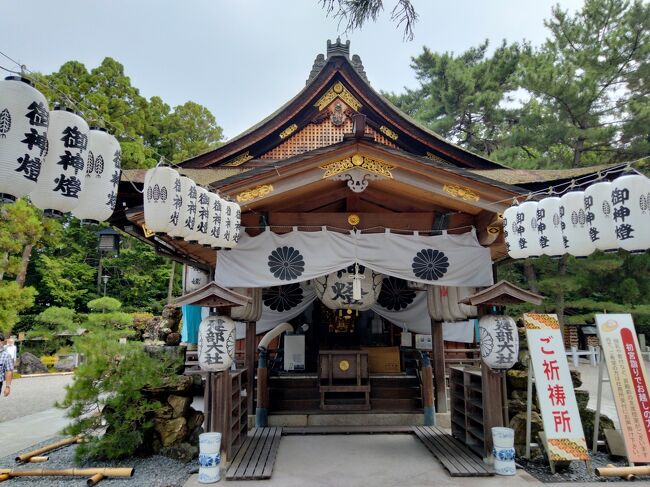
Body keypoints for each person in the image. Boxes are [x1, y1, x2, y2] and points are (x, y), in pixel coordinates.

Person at [0, 332, 14, 397]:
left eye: (1, 341)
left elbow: (9, 371)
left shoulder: (6, 355)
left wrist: (7, 387)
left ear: (3, 342)